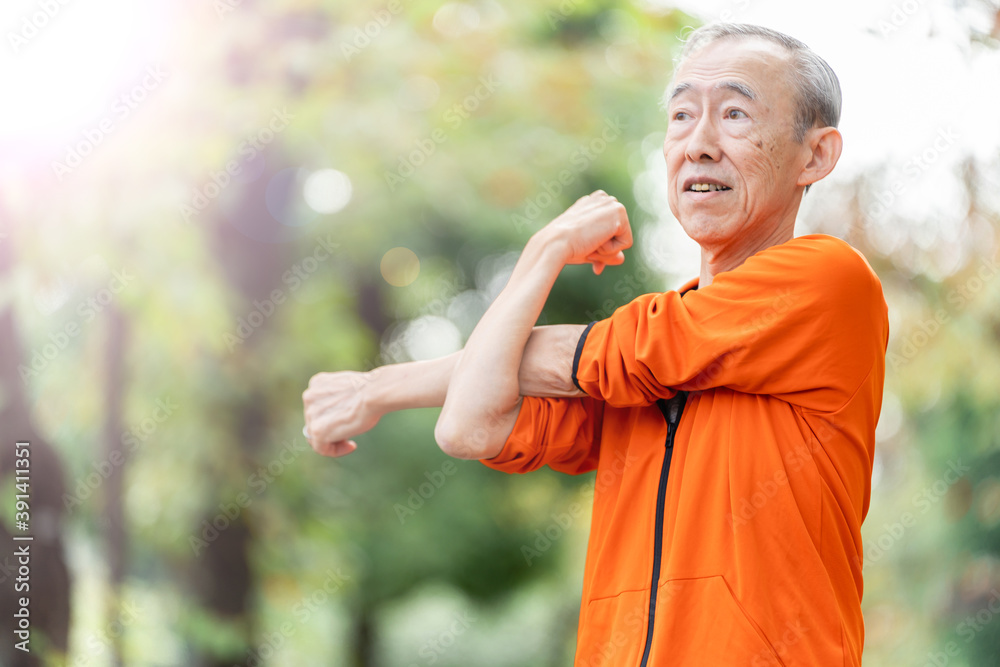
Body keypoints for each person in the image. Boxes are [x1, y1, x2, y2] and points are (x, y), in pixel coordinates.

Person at [303, 22, 888, 666]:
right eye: (682, 114)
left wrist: (376, 389)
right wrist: (547, 250)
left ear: (816, 155)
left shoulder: (827, 283)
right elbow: (469, 422)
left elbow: (604, 355)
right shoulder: (645, 361)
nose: (698, 143)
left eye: (735, 113)